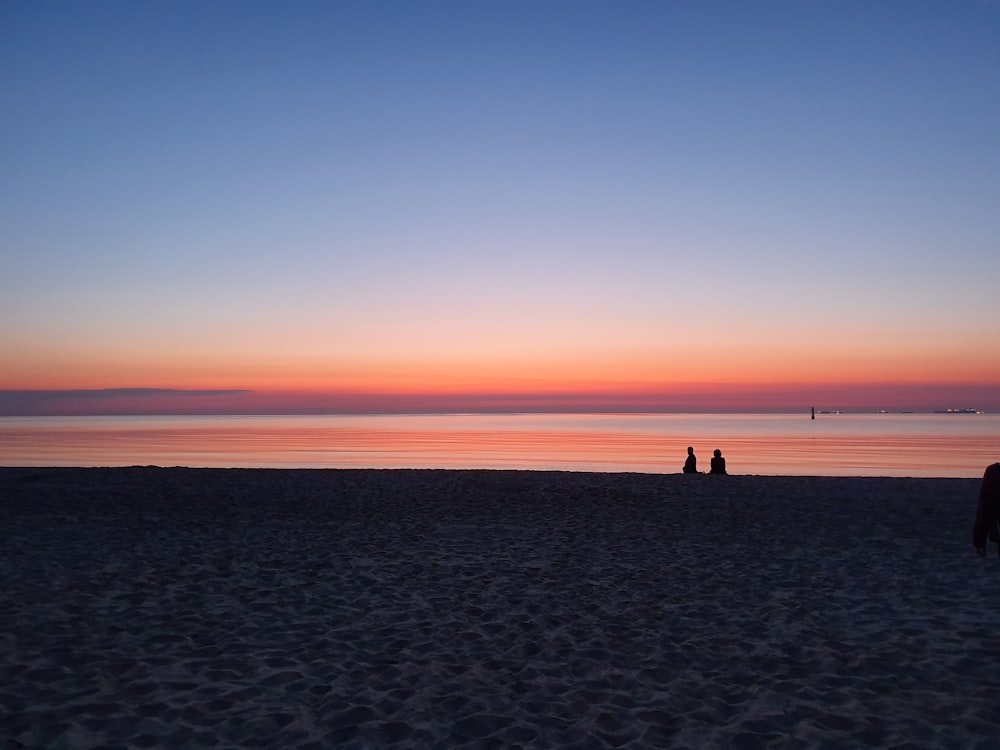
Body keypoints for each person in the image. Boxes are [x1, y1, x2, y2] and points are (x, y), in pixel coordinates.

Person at [973, 462, 1000, 557]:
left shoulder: (994, 472)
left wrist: (979, 540)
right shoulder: (995, 472)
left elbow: (985, 508)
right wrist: (979, 539)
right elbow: (986, 507)